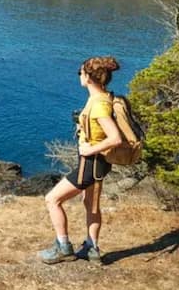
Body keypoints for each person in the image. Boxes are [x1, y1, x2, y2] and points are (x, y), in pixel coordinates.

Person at [38, 56, 123, 264]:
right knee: (90, 205)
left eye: (80, 73)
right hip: (99, 164)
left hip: (91, 163)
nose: (79, 76)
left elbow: (115, 138)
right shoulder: (103, 97)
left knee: (52, 199)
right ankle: (92, 248)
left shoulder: (99, 105)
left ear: (88, 77)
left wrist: (89, 149)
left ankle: (63, 247)